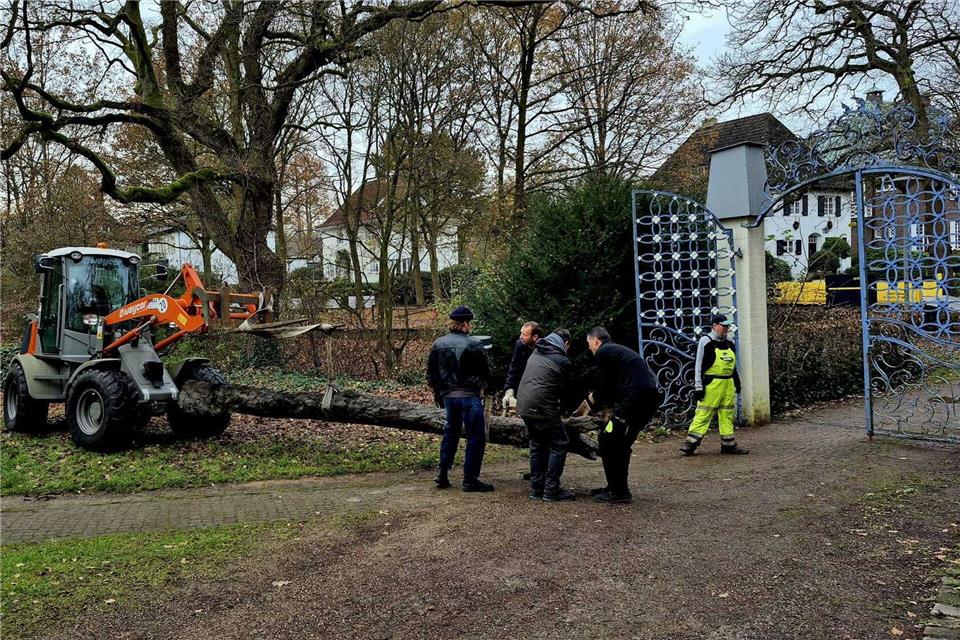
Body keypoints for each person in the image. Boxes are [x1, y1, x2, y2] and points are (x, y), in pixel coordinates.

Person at [585, 326, 661, 504]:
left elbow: (607, 385)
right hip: (645, 400)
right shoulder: (617, 351)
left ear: (596, 340)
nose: (589, 348)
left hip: (636, 401)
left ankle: (619, 491)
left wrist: (592, 400)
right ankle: (614, 487)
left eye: (589, 343)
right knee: (616, 441)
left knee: (611, 440)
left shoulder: (604, 352)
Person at [427, 306, 496, 492]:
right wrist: (486, 388)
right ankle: (470, 478)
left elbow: (432, 374)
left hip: (449, 396)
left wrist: (439, 394)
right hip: (469, 395)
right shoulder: (474, 344)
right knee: (476, 436)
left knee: (450, 432)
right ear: (466, 323)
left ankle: (443, 473)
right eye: (469, 323)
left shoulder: (438, 344)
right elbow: (486, 371)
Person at [516, 329, 576, 502]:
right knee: (559, 443)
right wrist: (566, 408)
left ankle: (536, 489)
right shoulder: (561, 360)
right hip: (542, 407)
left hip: (524, 405)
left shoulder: (537, 350)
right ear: (565, 343)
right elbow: (566, 390)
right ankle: (551, 490)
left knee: (537, 444)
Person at [680, 314, 749, 456]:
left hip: (728, 383)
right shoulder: (705, 341)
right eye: (724, 326)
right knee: (703, 413)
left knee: (727, 414)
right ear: (715, 325)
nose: (726, 328)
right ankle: (690, 444)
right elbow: (698, 365)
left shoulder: (729, 343)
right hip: (712, 384)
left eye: (727, 326)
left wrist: (736, 381)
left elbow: (733, 366)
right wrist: (698, 387)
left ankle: (728, 445)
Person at [501, 321, 541, 412]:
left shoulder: (543, 349)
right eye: (521, 333)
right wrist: (509, 390)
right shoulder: (520, 345)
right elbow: (514, 368)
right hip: (523, 381)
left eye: (524, 334)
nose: (520, 336)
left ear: (534, 337)